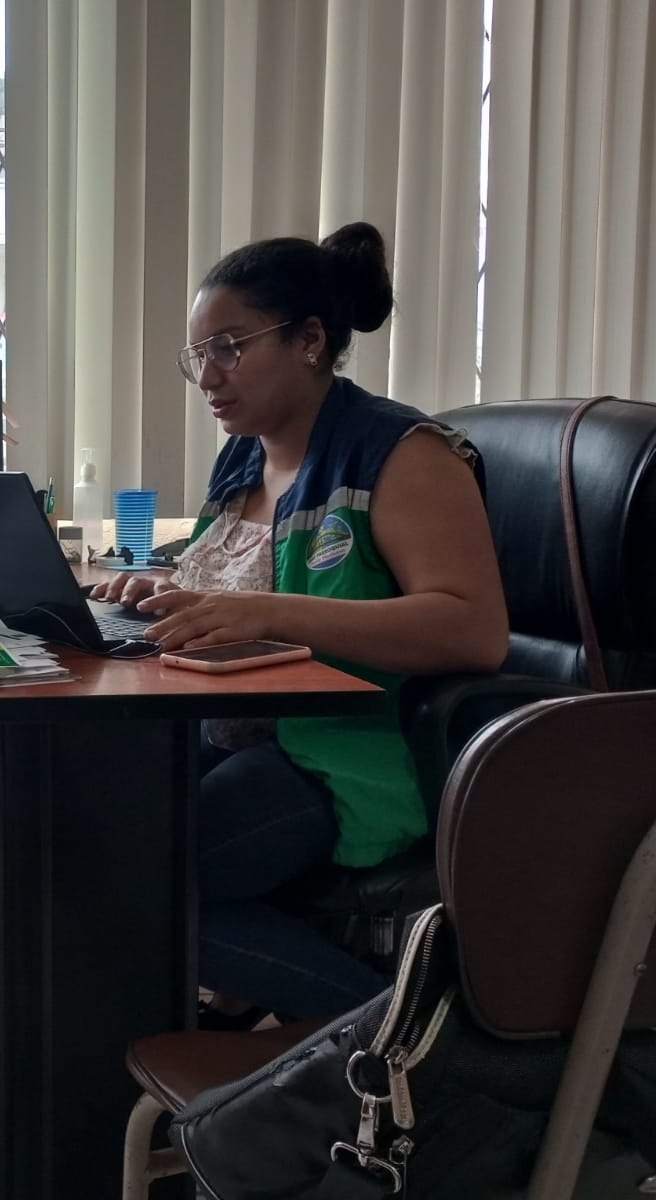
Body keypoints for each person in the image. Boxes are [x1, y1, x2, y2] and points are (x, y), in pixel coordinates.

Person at [92, 222, 509, 1023]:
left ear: (310, 340)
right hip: (226, 730)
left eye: (228, 347)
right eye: (197, 356)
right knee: (83, 834)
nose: (208, 376)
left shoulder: (401, 452)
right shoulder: (245, 456)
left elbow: (472, 629)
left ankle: (413, 1039)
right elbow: (241, 580)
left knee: (139, 887)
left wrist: (265, 611)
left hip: (333, 752)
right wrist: (162, 588)